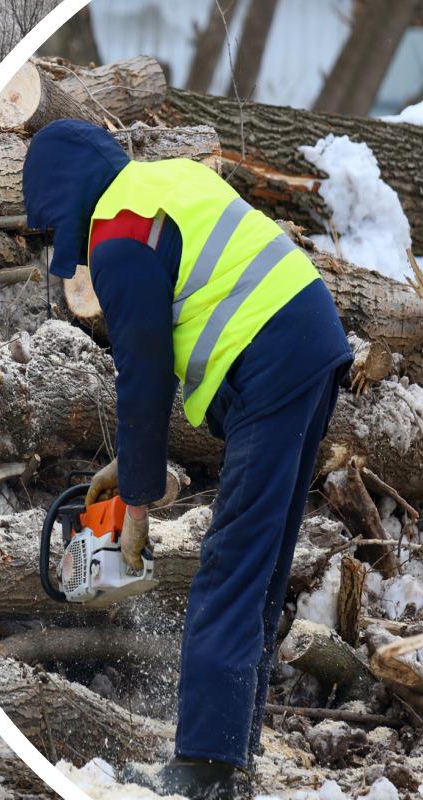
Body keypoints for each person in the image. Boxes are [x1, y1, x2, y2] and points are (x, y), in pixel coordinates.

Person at [21, 120, 352, 799]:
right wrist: (134, 474)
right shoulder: (163, 182)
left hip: (275, 355)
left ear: (64, 200)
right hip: (308, 342)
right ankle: (231, 757)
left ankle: (203, 767)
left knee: (229, 565)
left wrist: (135, 503)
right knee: (255, 570)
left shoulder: (117, 232)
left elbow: (141, 378)